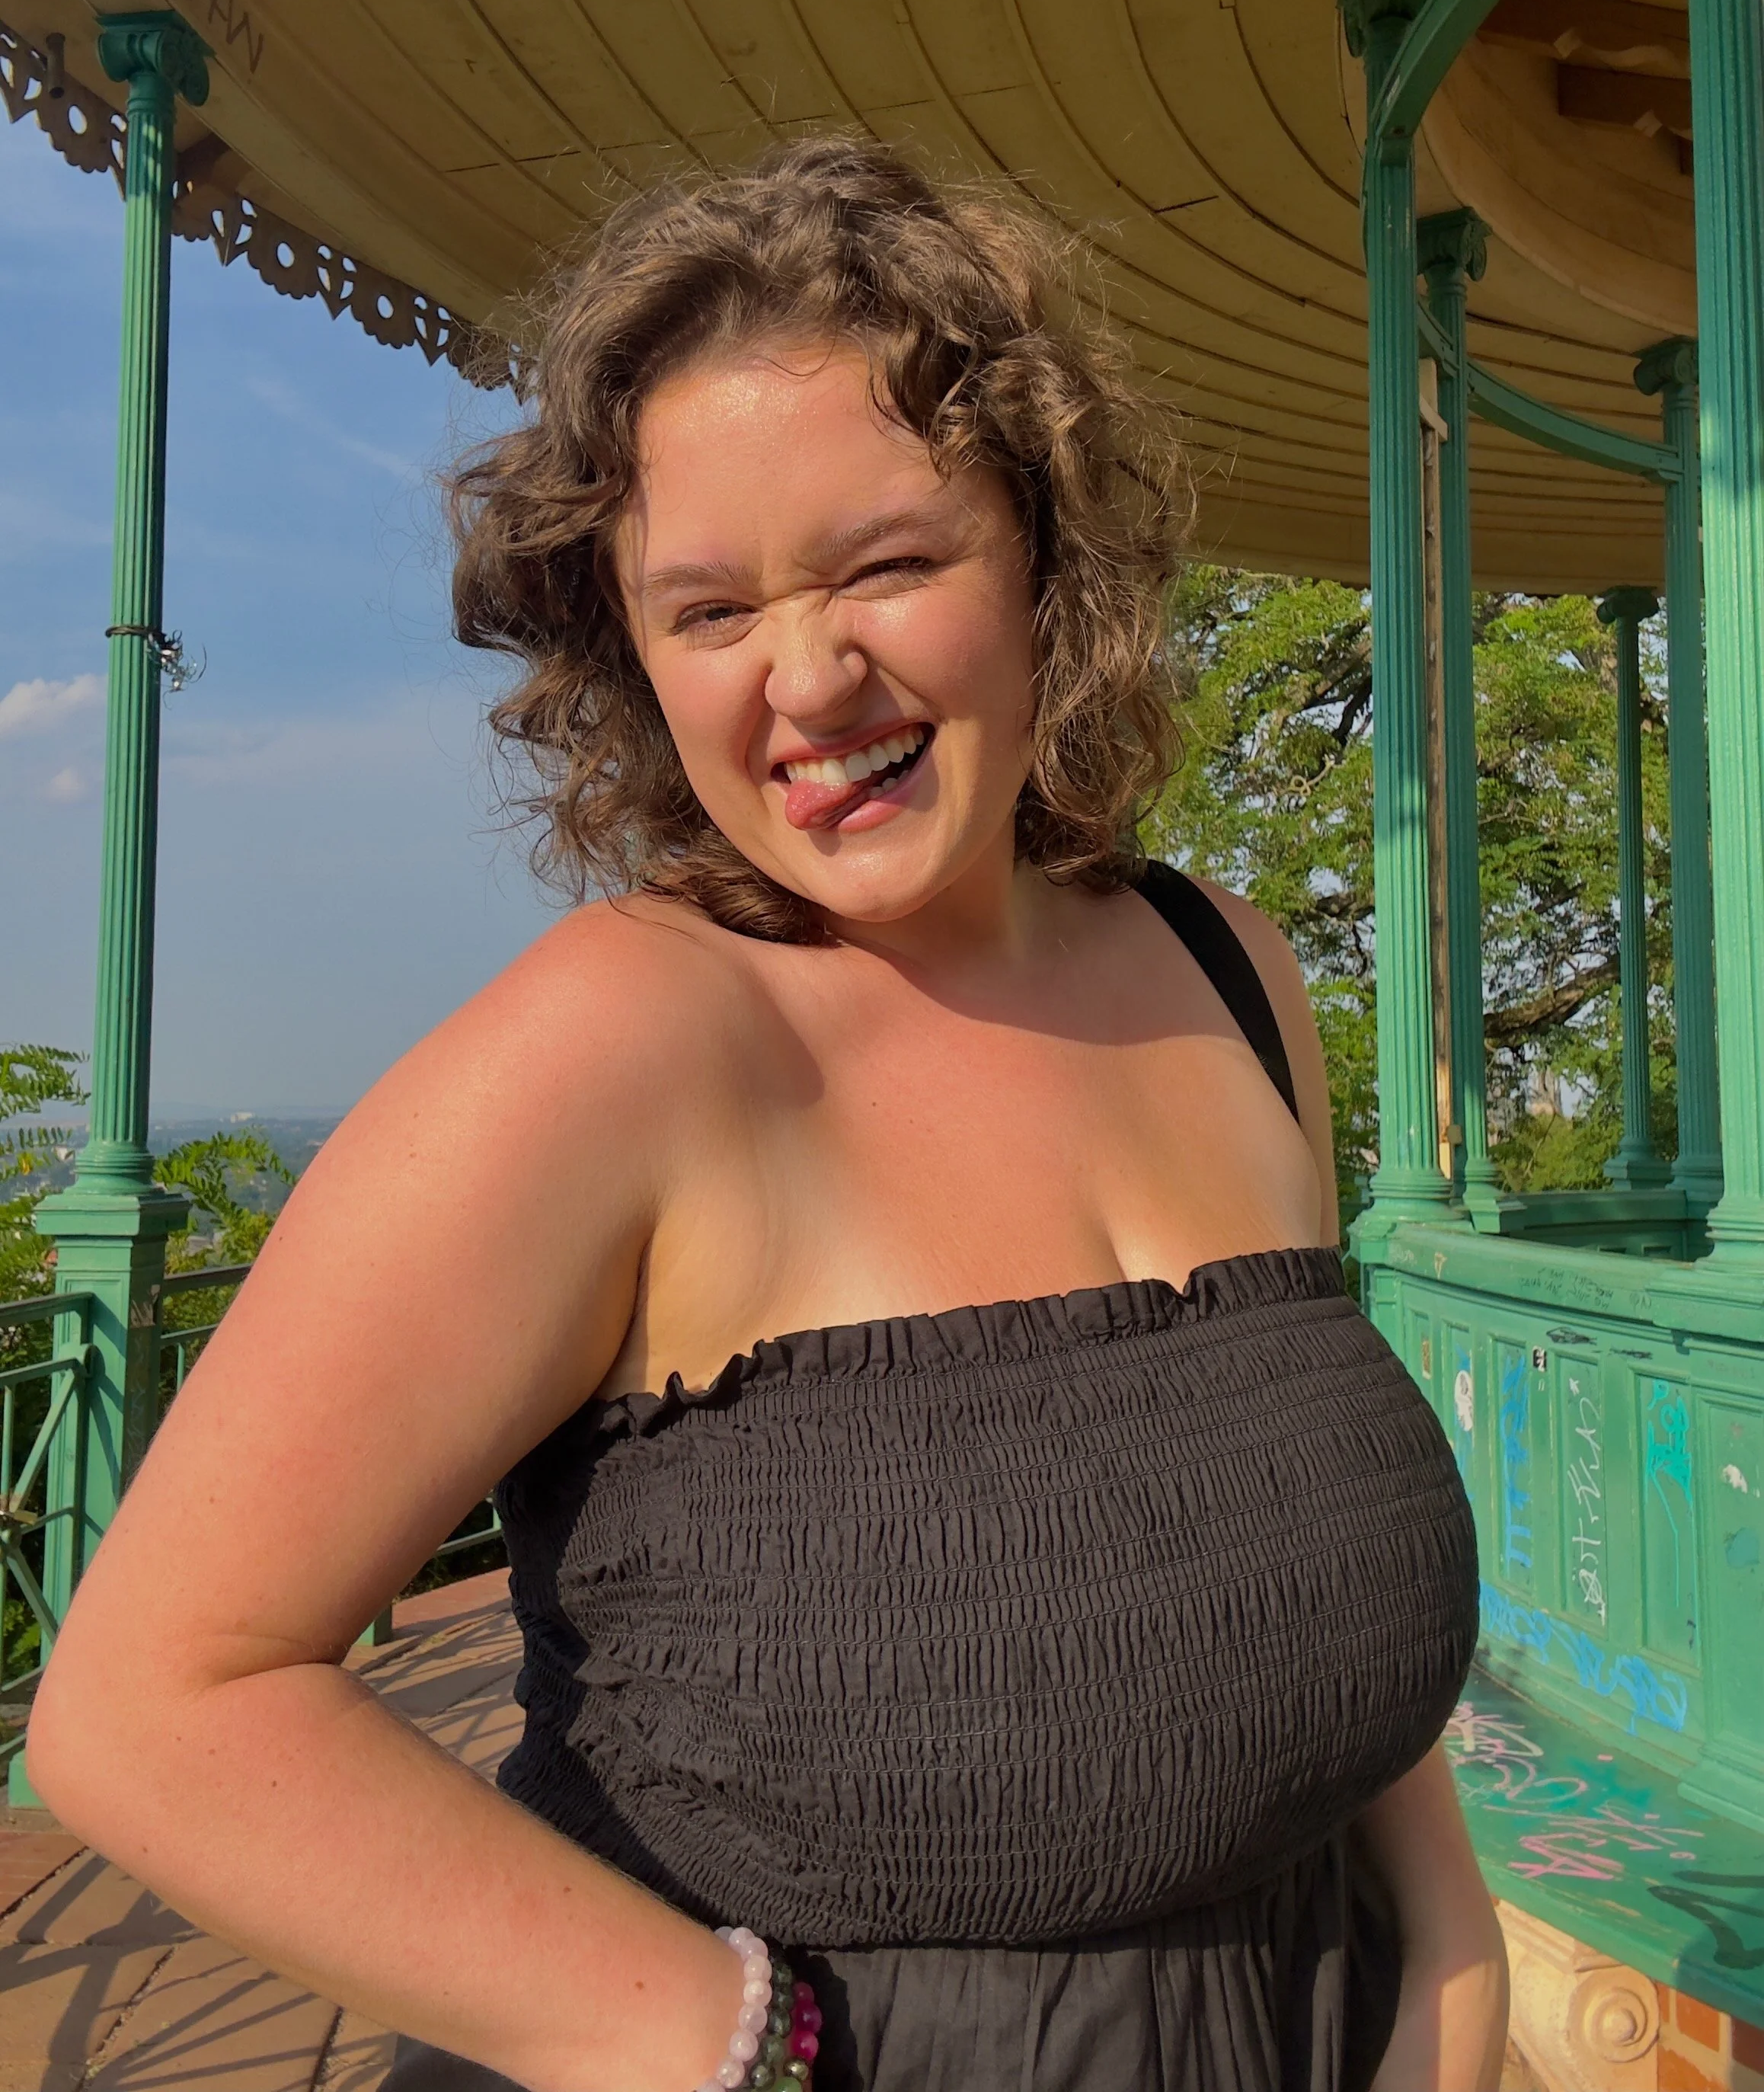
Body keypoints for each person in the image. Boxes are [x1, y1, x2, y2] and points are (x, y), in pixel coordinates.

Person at [28, 137, 1505, 2092]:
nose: (811, 677)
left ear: (1047, 557)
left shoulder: (1227, 974)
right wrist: (723, 2039)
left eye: (892, 559)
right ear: (624, 654)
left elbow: (1288, 1537)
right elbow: (148, 1701)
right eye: (708, 608)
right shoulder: (613, 1055)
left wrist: (1455, 1965)